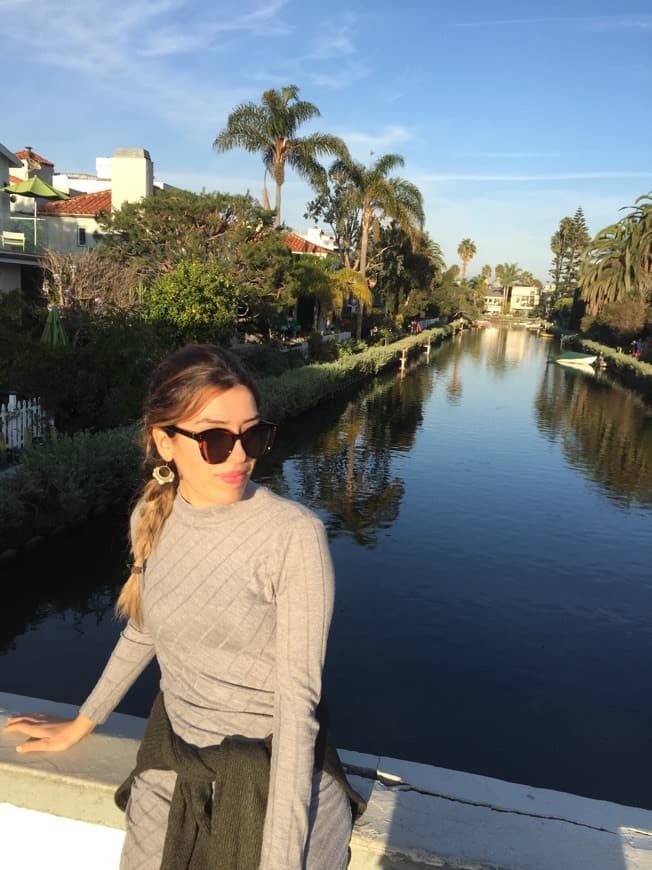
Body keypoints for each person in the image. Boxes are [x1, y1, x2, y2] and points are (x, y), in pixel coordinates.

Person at [3, 344, 363, 869]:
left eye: (253, 434)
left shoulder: (294, 536)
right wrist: (84, 722)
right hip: (176, 751)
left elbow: (295, 704)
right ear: (164, 442)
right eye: (215, 438)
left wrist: (280, 861)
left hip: (275, 761)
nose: (240, 456)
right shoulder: (152, 513)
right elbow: (145, 631)